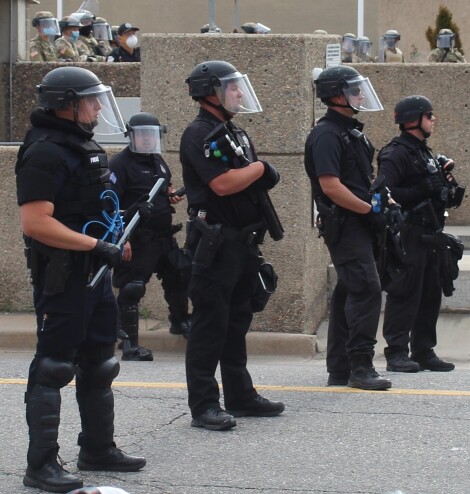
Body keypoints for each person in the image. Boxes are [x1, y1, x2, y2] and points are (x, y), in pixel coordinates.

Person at [15, 66, 146, 493]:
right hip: (64, 275)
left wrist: (115, 234)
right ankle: (41, 466)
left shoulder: (81, 143)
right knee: (54, 366)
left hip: (94, 269)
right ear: (67, 104)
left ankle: (97, 447)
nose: (97, 107)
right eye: (90, 100)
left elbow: (90, 205)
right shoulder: (45, 151)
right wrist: (95, 247)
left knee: (100, 362)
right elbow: (36, 222)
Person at [180, 60, 285, 430]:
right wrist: (260, 169)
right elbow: (222, 184)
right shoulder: (199, 133)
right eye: (232, 87)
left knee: (237, 322)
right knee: (210, 324)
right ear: (211, 92)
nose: (239, 93)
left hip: (242, 244)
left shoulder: (233, 131)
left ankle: (240, 395)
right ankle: (204, 404)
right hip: (216, 244)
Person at [304, 65, 392, 390]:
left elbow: (359, 180)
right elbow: (330, 186)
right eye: (353, 90)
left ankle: (340, 368)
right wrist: (368, 209)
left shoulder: (350, 130)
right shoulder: (326, 133)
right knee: (366, 288)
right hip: (345, 223)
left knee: (348, 291)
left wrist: (381, 204)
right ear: (337, 95)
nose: (359, 95)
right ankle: (360, 366)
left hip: (359, 220)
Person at [378, 96, 458, 374]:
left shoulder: (423, 152)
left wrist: (447, 190)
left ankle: (424, 350)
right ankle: (397, 352)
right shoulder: (396, 153)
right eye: (429, 115)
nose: (433, 119)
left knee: (430, 293)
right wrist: (422, 189)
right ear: (413, 120)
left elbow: (434, 190)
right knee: (405, 293)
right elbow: (384, 192)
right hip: (409, 233)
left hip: (431, 233)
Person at [109, 113, 192, 362]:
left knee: (180, 274)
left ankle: (179, 321)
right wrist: (122, 239)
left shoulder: (158, 161)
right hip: (136, 238)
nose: (147, 139)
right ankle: (128, 343)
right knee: (132, 288)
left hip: (163, 238)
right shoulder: (120, 164)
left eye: (152, 135)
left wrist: (170, 196)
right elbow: (111, 205)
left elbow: (158, 191)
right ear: (131, 135)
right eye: (142, 134)